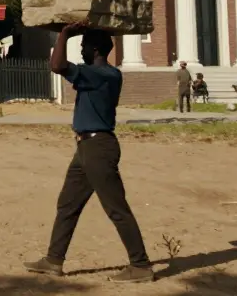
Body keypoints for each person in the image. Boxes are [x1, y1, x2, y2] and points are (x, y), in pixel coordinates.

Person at [23, 22, 154, 284]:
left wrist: (64, 34)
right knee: (67, 205)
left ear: (95, 49)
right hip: (85, 147)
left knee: (117, 208)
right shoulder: (100, 74)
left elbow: (57, 66)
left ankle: (140, 265)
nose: (80, 50)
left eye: (83, 46)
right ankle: (53, 260)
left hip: (99, 148)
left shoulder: (103, 75)